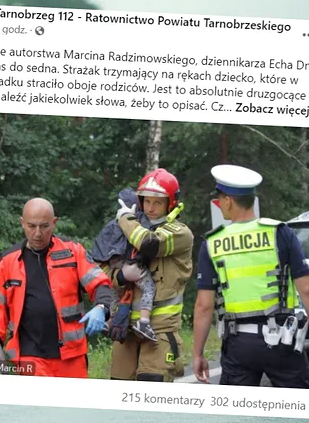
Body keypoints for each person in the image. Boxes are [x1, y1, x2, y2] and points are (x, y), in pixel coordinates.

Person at [193, 164, 309, 387]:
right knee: (298, 413)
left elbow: (204, 306)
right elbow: (305, 289)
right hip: (283, 342)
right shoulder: (280, 232)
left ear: (227, 201)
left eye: (220, 198)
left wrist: (198, 353)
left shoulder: (212, 243)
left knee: (239, 417)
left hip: (239, 345)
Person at [0, 198, 115, 378]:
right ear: (22, 223)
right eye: (31, 226)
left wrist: (102, 308)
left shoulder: (72, 252)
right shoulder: (7, 262)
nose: (37, 233)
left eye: (44, 226)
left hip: (71, 357)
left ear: (54, 223)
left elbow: (101, 284)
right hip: (29, 358)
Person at [98, 168, 195, 382]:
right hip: (125, 328)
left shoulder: (180, 233)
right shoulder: (128, 229)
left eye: (157, 202)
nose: (150, 208)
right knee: (119, 394)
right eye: (146, 201)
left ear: (170, 202)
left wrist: (124, 218)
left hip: (160, 329)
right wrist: (121, 276)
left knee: (151, 394)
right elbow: (100, 268)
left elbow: (148, 243)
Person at [91, 187, 158, 343]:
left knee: (114, 293)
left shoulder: (112, 224)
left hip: (114, 263)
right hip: (131, 263)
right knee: (149, 287)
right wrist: (123, 274)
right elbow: (145, 241)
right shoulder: (138, 221)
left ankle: (110, 322)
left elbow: (99, 252)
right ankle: (144, 322)